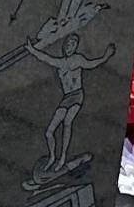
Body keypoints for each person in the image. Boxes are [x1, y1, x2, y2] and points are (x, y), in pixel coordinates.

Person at [26, 33, 115, 175]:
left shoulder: (78, 59)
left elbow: (91, 64)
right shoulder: (60, 62)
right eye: (68, 44)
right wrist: (32, 50)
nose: (69, 47)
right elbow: (45, 58)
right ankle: (52, 157)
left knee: (67, 122)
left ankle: (62, 158)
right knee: (49, 132)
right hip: (66, 98)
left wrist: (106, 56)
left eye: (73, 45)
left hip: (77, 95)